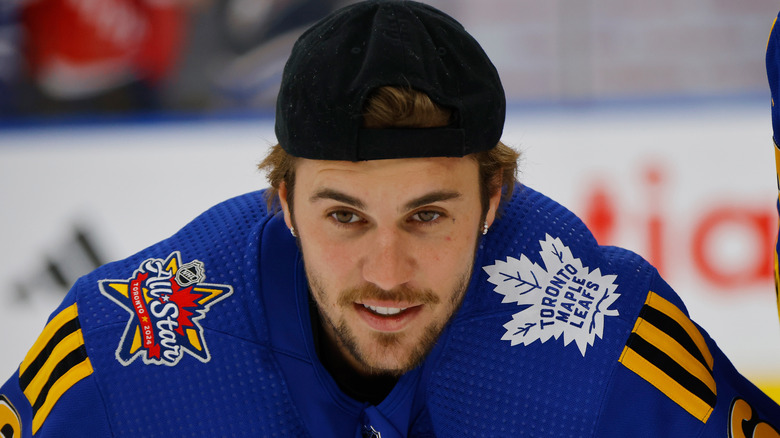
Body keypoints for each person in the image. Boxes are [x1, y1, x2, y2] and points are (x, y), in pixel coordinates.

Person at [2, 1, 779, 436]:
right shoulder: (124, 359)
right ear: (285, 204)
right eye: (344, 216)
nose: (386, 271)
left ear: (493, 204)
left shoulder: (602, 349)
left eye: (428, 216)